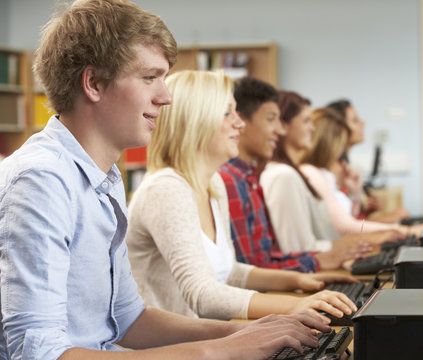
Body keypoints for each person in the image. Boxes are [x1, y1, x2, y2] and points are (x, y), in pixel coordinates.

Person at [0, 1, 331, 359]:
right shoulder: (42, 181)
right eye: (148, 77)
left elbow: (130, 319)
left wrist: (243, 331)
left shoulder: (103, 179)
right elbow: (39, 354)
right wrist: (216, 351)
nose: (166, 96)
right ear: (93, 83)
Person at [126, 70, 359, 323]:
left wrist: (299, 279)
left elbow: (229, 272)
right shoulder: (166, 189)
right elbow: (202, 294)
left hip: (202, 341)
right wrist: (294, 305)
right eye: (227, 113)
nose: (239, 123)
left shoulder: (213, 184)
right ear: (195, 120)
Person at [218, 77, 370, 272]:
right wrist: (321, 260)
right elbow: (250, 270)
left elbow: (264, 260)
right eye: (272, 119)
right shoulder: (255, 177)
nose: (279, 129)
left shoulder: (250, 177)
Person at [260, 90, 403, 253]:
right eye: (306, 121)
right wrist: (398, 231)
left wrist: (356, 196)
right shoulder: (293, 174)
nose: (312, 128)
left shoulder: (300, 173)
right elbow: (335, 231)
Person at [299, 107, 419, 237]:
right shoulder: (314, 173)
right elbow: (347, 227)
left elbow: (348, 221)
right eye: (341, 143)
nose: (363, 123)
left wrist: (356, 195)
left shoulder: (326, 174)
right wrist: (404, 231)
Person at [328, 99, 411, 223]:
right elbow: (346, 228)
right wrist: (390, 218)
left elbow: (351, 218)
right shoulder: (334, 169)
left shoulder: (345, 164)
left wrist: (367, 211)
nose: (363, 122)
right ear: (339, 127)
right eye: (355, 121)